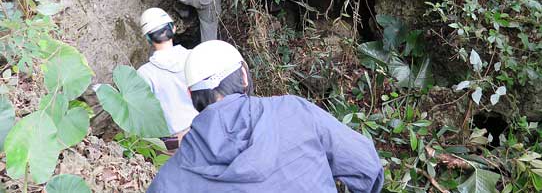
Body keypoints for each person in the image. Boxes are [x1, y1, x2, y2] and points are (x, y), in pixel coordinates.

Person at [147, 40, 384, 193]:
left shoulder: (169, 180)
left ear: (190, 95)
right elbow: (367, 167)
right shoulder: (294, 112)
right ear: (244, 75)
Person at [137, 7, 198, 150]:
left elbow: (143, 115)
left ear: (148, 38)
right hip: (204, 132)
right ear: (174, 28)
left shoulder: (144, 73)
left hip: (174, 144)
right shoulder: (194, 57)